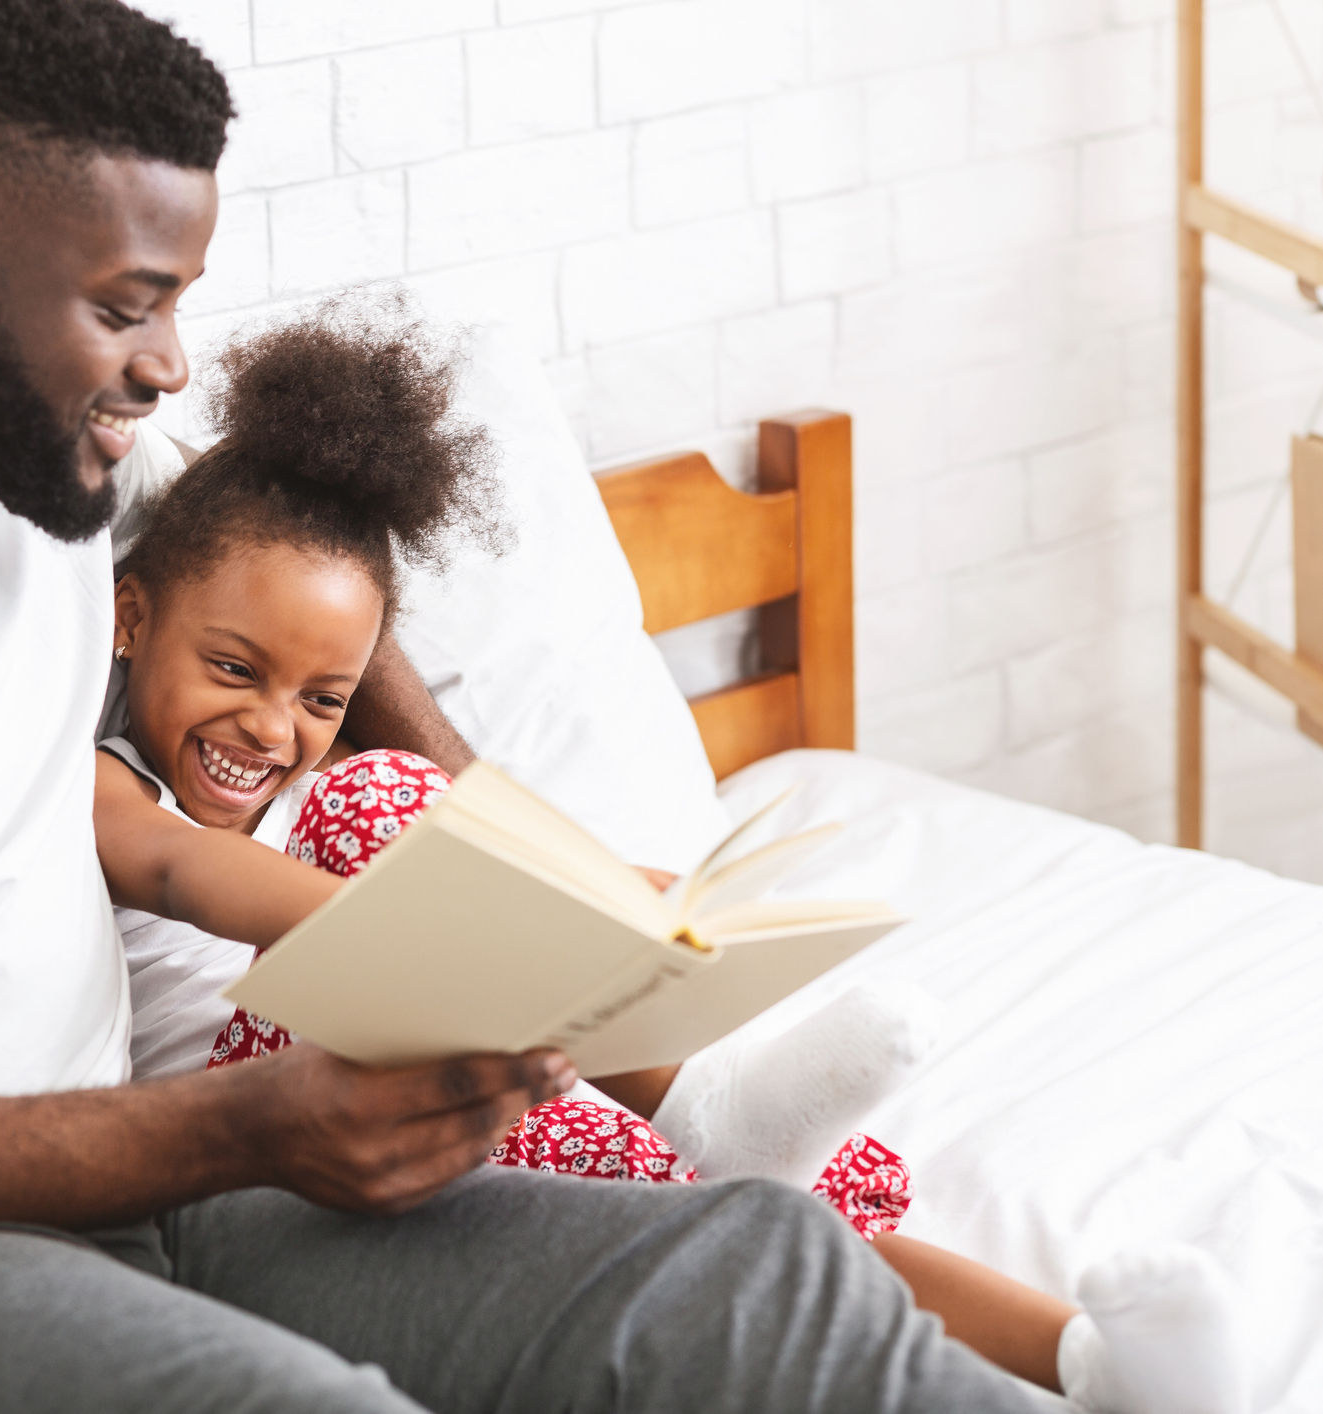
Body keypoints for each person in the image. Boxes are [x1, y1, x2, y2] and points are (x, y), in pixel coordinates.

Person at [0, 2, 1062, 1412]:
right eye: (127, 303)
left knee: (746, 1276)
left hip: (140, 1202)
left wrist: (543, 886)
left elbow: (290, 574)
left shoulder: (43, 472)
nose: (168, 364)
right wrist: (243, 1128)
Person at [90, 303, 1251, 1414]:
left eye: (322, 696)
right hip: (244, 1131)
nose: (270, 724)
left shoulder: (299, 773)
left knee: (778, 1215)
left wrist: (578, 908)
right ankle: (705, 1111)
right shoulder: (109, 785)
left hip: (397, 1066)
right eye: (235, 668)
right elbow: (191, 876)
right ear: (127, 617)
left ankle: (1088, 1357)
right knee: (388, 803)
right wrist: (458, 916)